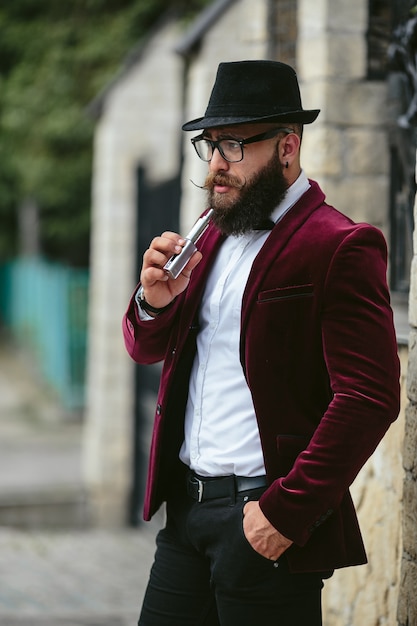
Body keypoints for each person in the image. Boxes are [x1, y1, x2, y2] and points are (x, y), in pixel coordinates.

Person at [123, 60, 400, 626]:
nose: (216, 164)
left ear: (287, 147)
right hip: (187, 515)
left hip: (262, 520)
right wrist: (152, 302)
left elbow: (369, 397)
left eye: (233, 144)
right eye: (210, 145)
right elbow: (147, 349)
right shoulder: (208, 231)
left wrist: (286, 512)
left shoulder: (340, 245)